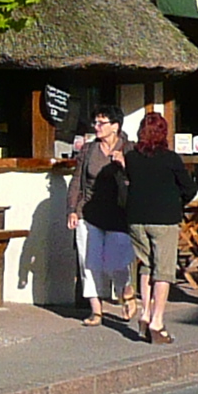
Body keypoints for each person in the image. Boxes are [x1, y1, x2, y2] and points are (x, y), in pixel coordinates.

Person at [121, 111, 193, 342]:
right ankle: (157, 321)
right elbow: (189, 188)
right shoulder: (171, 159)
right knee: (163, 270)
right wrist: (177, 201)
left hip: (136, 218)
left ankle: (145, 313)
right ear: (163, 133)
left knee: (147, 266)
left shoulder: (131, 158)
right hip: (164, 218)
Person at [65, 108, 133, 326]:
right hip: (89, 211)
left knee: (116, 262)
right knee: (89, 261)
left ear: (115, 126)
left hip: (118, 212)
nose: (96, 127)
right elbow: (77, 180)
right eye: (95, 122)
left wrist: (125, 164)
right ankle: (96, 310)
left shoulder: (130, 149)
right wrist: (72, 209)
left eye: (102, 122)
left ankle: (127, 294)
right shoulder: (89, 149)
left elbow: (138, 180)